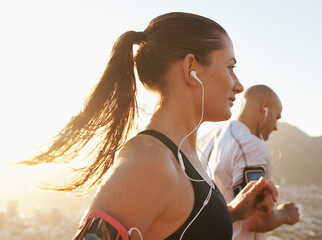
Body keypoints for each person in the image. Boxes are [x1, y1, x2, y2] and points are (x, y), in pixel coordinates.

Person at [22, 13, 278, 240]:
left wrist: (231, 212)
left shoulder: (183, 155)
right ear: (191, 68)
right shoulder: (150, 163)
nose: (239, 85)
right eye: (230, 67)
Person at [197, 85, 300, 240]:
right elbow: (254, 220)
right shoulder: (250, 145)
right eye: (277, 117)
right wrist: (285, 214)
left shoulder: (211, 137)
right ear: (264, 107)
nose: (276, 127)